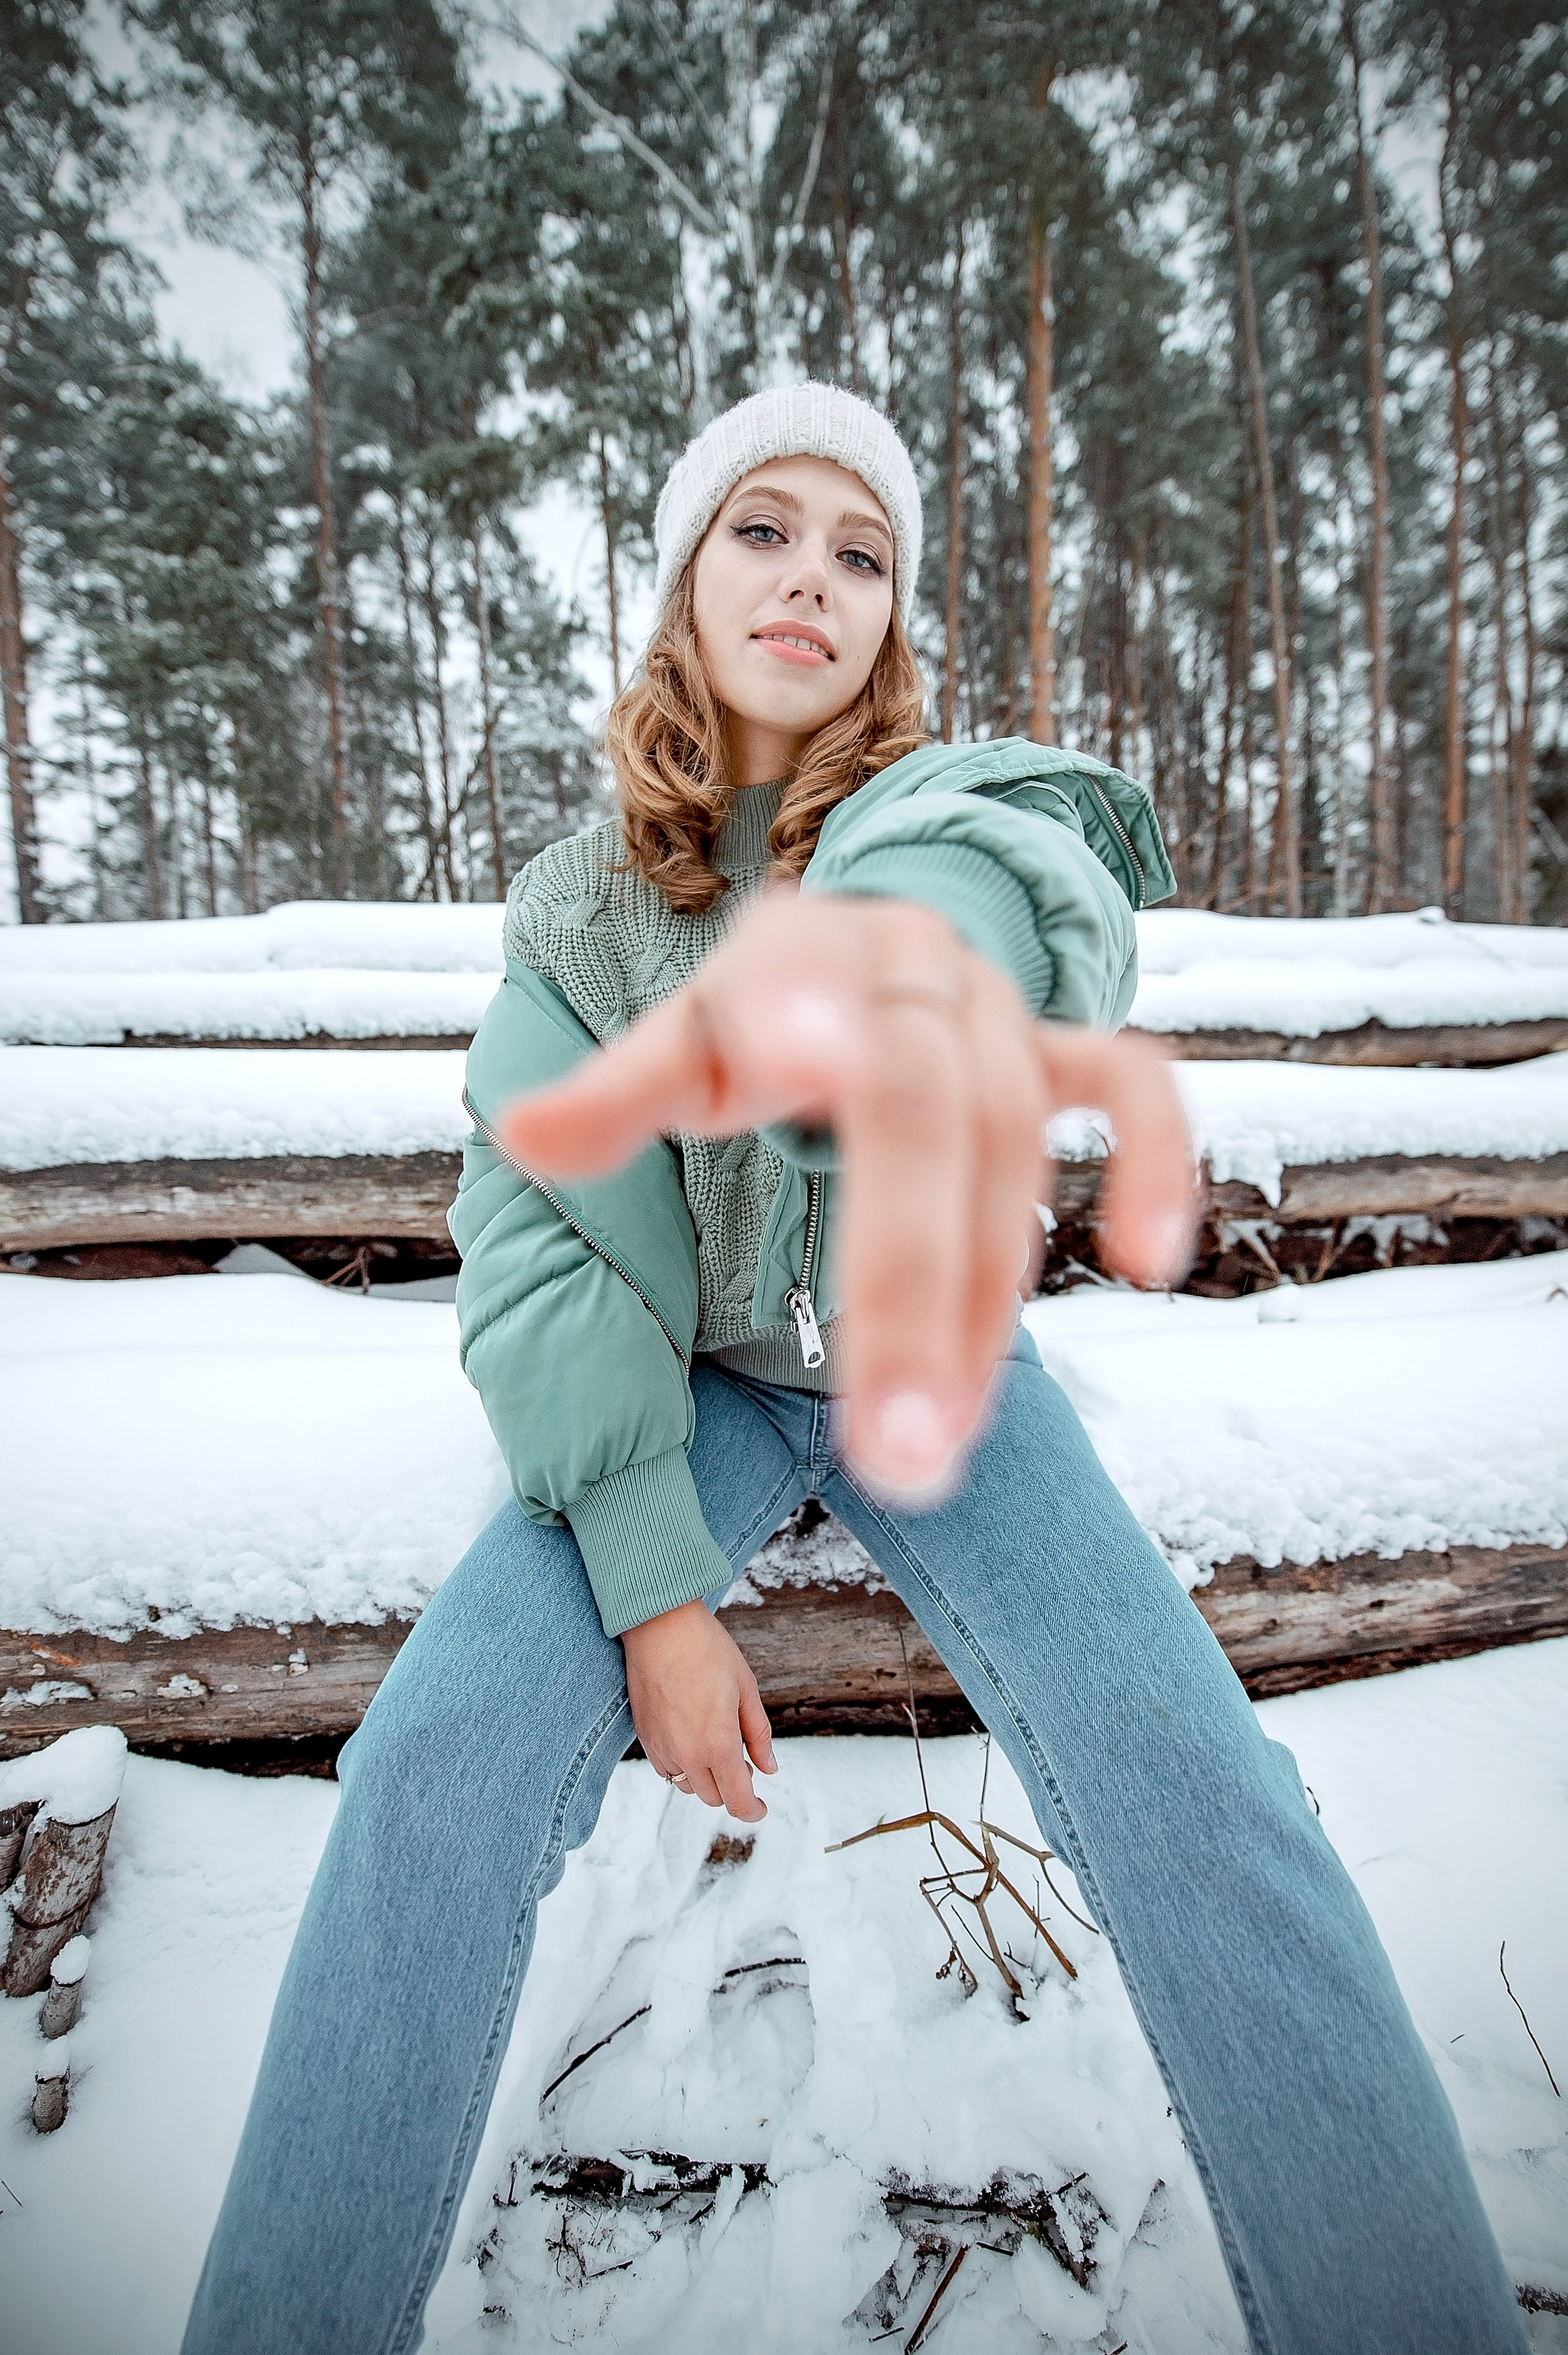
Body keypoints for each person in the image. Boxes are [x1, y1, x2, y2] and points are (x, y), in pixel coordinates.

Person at [181, 385, 1526, 2355]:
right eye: (764, 529)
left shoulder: (925, 824)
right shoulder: (580, 911)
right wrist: (651, 1583)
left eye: (861, 551)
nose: (811, 576)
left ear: (890, 621)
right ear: (683, 579)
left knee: (1207, 1798)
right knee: (426, 1781)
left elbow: (1016, 893)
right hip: (695, 1391)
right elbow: (539, 1238)